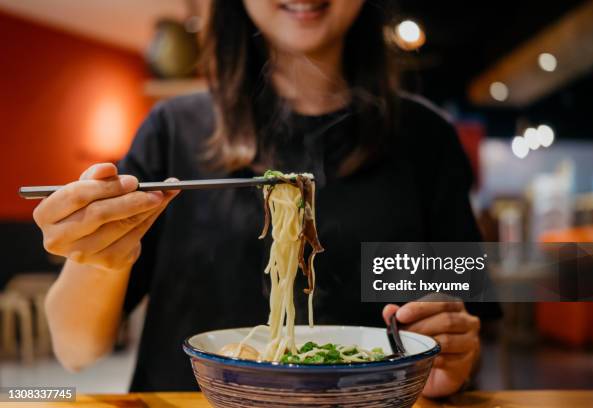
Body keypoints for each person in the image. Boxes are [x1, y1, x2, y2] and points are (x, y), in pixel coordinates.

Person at [34, 0, 499, 398]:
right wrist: (100, 255)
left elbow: (462, 332)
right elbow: (75, 348)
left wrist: (449, 360)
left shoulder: (426, 140)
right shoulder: (173, 132)